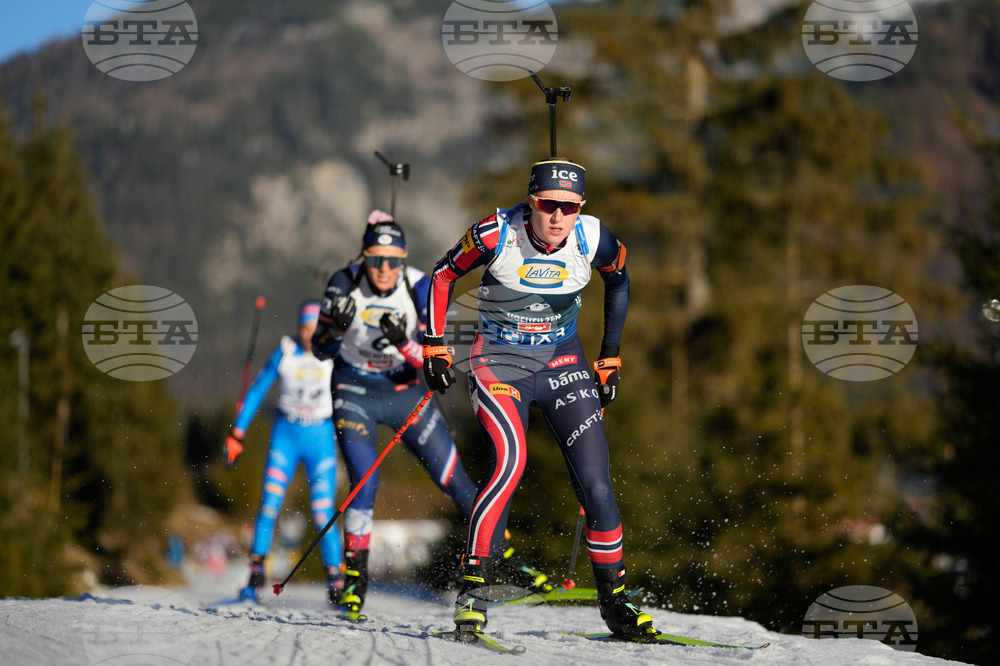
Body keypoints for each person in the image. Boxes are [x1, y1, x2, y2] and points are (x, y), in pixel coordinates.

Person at [422, 158, 658, 638]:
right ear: (531, 202)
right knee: (510, 462)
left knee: (596, 483)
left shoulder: (594, 238)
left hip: (562, 364)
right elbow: (442, 276)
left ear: (581, 208)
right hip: (498, 363)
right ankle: (473, 594)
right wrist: (434, 345)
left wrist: (610, 357)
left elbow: (619, 282)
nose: (558, 216)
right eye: (549, 204)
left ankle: (616, 602)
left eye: (570, 207)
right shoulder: (495, 234)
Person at [312, 210, 555, 619]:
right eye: (376, 260)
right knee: (364, 483)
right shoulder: (343, 282)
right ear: (364, 258)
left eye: (393, 260)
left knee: (456, 481)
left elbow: (433, 360)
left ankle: (506, 560)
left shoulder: (419, 286)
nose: (384, 269)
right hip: (354, 392)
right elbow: (320, 350)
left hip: (406, 394)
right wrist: (335, 329)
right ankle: (355, 581)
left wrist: (403, 343)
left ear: (403, 260)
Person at [224, 301, 344, 604]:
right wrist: (237, 433)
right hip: (286, 437)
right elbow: (256, 390)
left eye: (315, 328)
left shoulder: (335, 354)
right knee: (269, 506)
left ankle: (337, 582)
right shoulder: (285, 352)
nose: (309, 335)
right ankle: (255, 577)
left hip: (321, 439)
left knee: (323, 513)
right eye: (305, 328)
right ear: (298, 328)